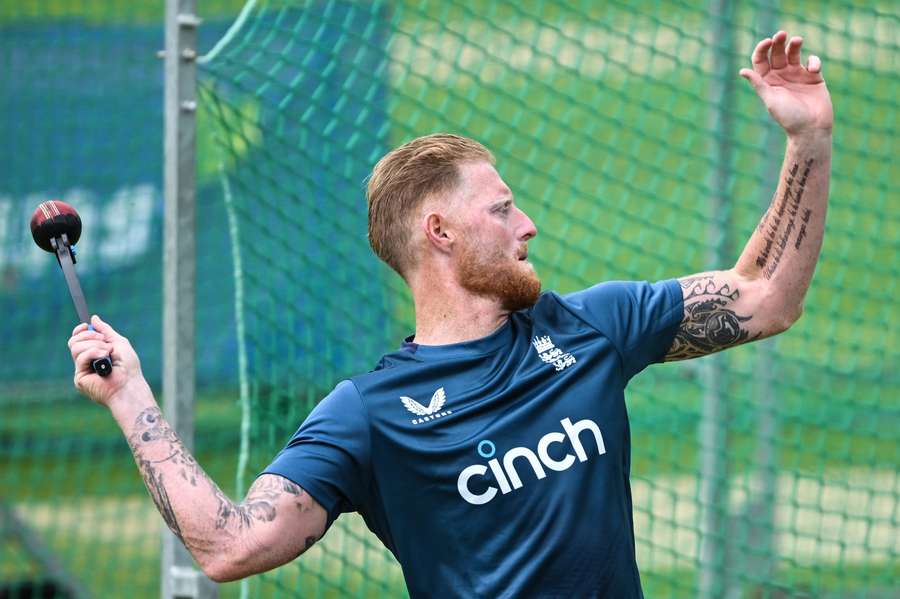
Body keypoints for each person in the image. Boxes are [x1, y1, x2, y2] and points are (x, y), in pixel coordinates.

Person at [68, 31, 832, 597]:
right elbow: (229, 545)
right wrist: (130, 392)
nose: (527, 222)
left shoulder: (589, 326)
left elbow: (765, 296)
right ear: (440, 233)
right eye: (502, 209)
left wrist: (808, 139)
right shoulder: (367, 415)